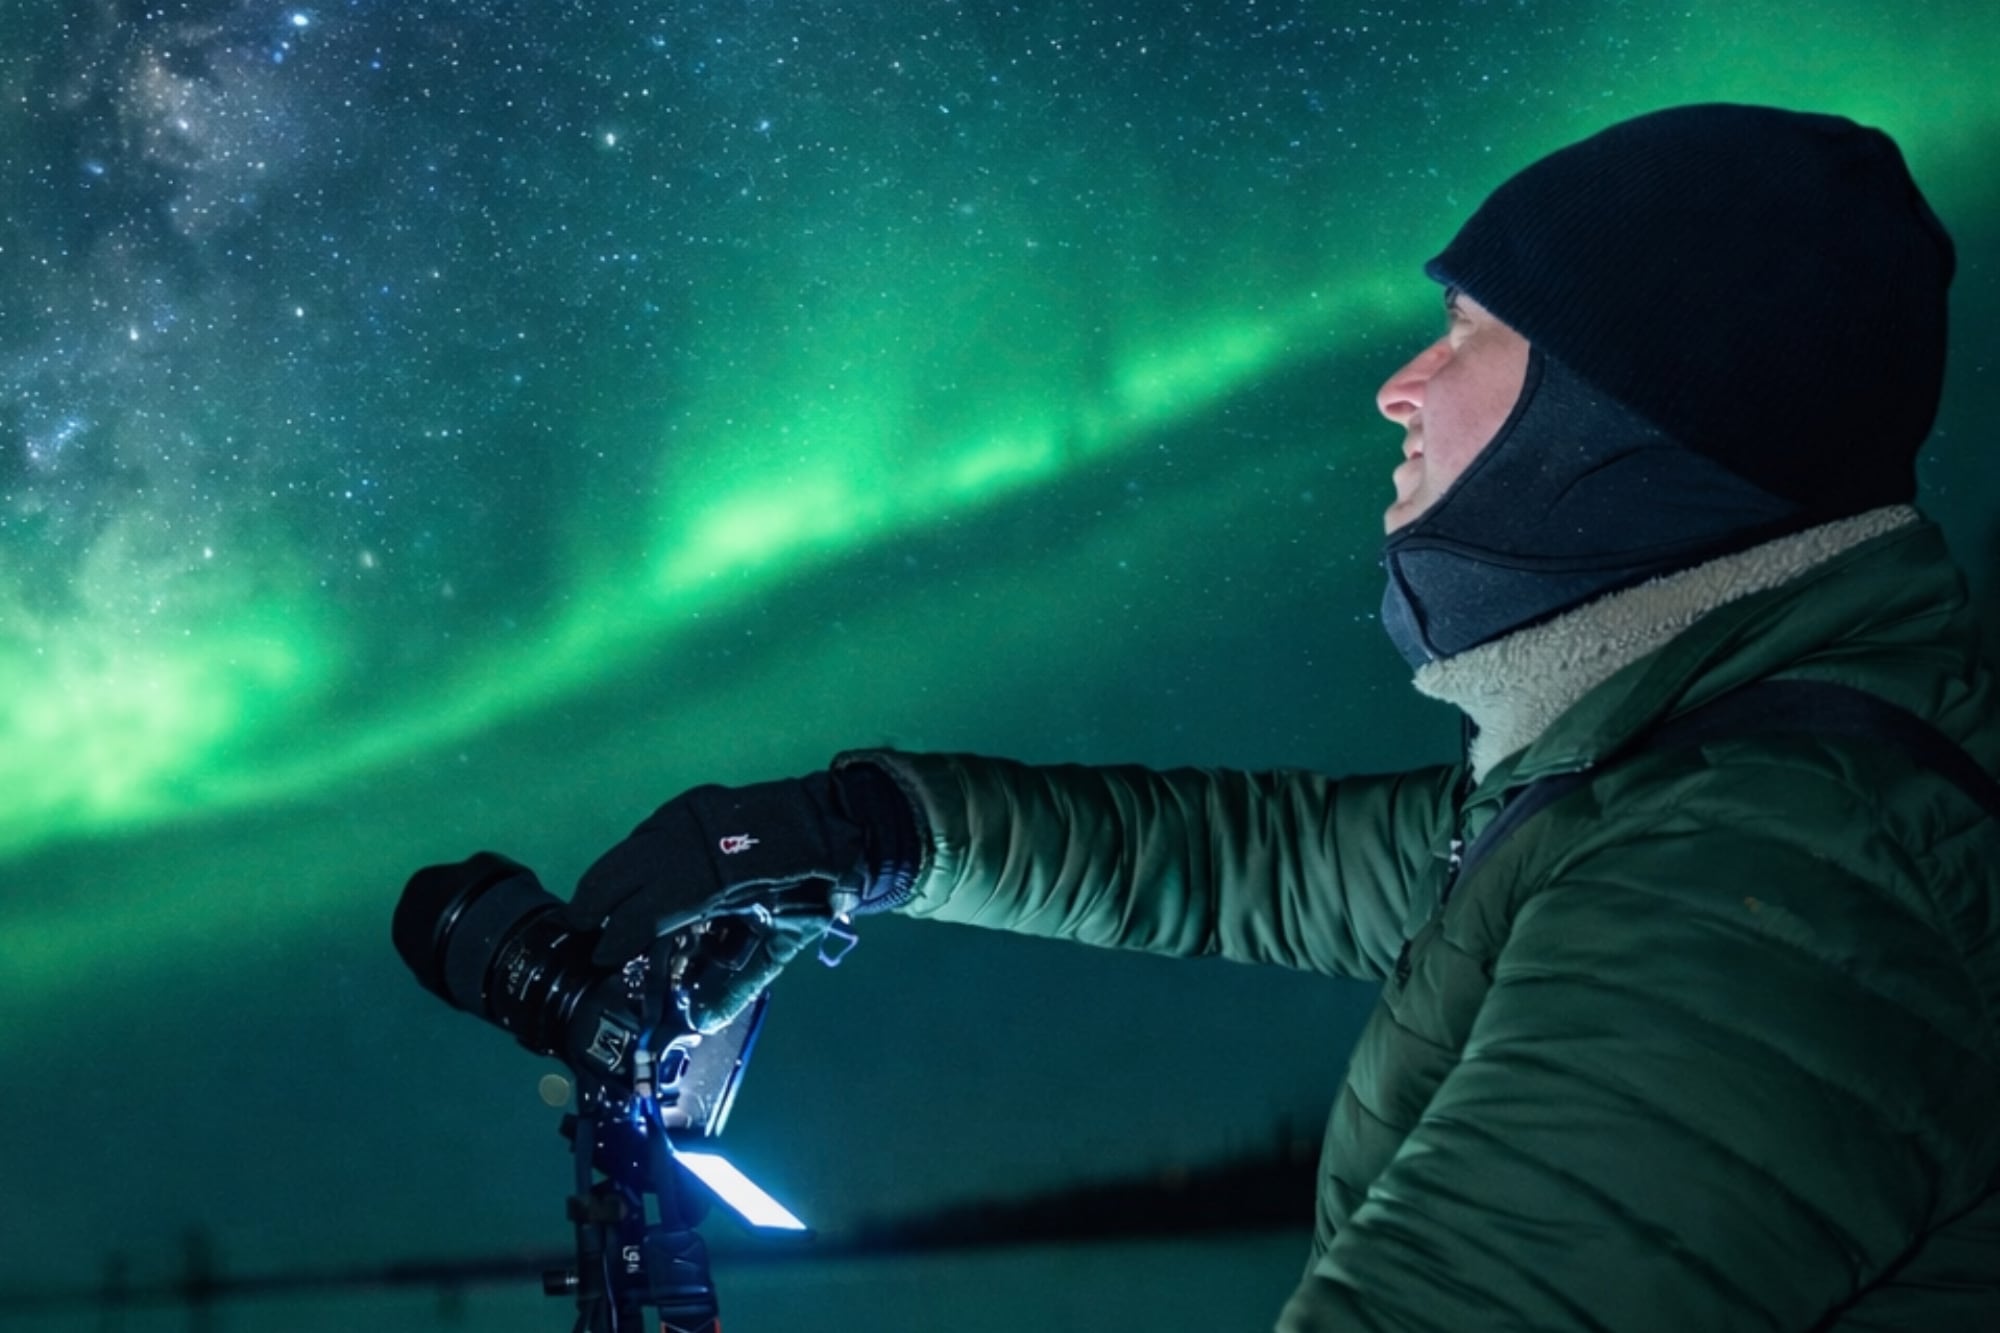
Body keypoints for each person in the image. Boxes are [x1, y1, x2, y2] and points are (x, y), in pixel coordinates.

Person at [561, 105, 2000, 1330]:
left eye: (1470, 331)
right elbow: (1250, 858)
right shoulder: (1658, 782)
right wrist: (867, 831)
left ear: (1630, 414)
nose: (1399, 385)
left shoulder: (1766, 896)